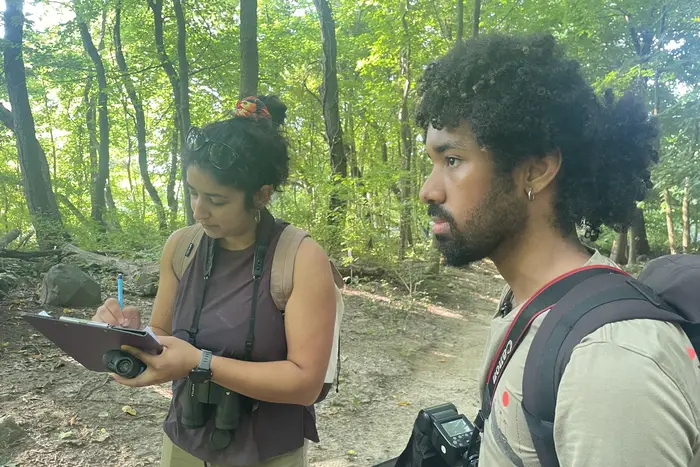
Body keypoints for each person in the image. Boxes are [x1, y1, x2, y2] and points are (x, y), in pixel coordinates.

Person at [415, 33, 700, 466]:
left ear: (536, 171)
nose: (427, 190)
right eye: (432, 164)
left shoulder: (610, 363)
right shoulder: (531, 299)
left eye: (452, 160)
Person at [92, 95, 338, 467]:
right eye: (193, 192)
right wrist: (128, 336)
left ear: (261, 195)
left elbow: (305, 383)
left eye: (217, 199)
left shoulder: (299, 258)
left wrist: (200, 363)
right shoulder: (182, 247)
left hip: (266, 450)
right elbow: (163, 336)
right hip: (185, 440)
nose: (198, 209)